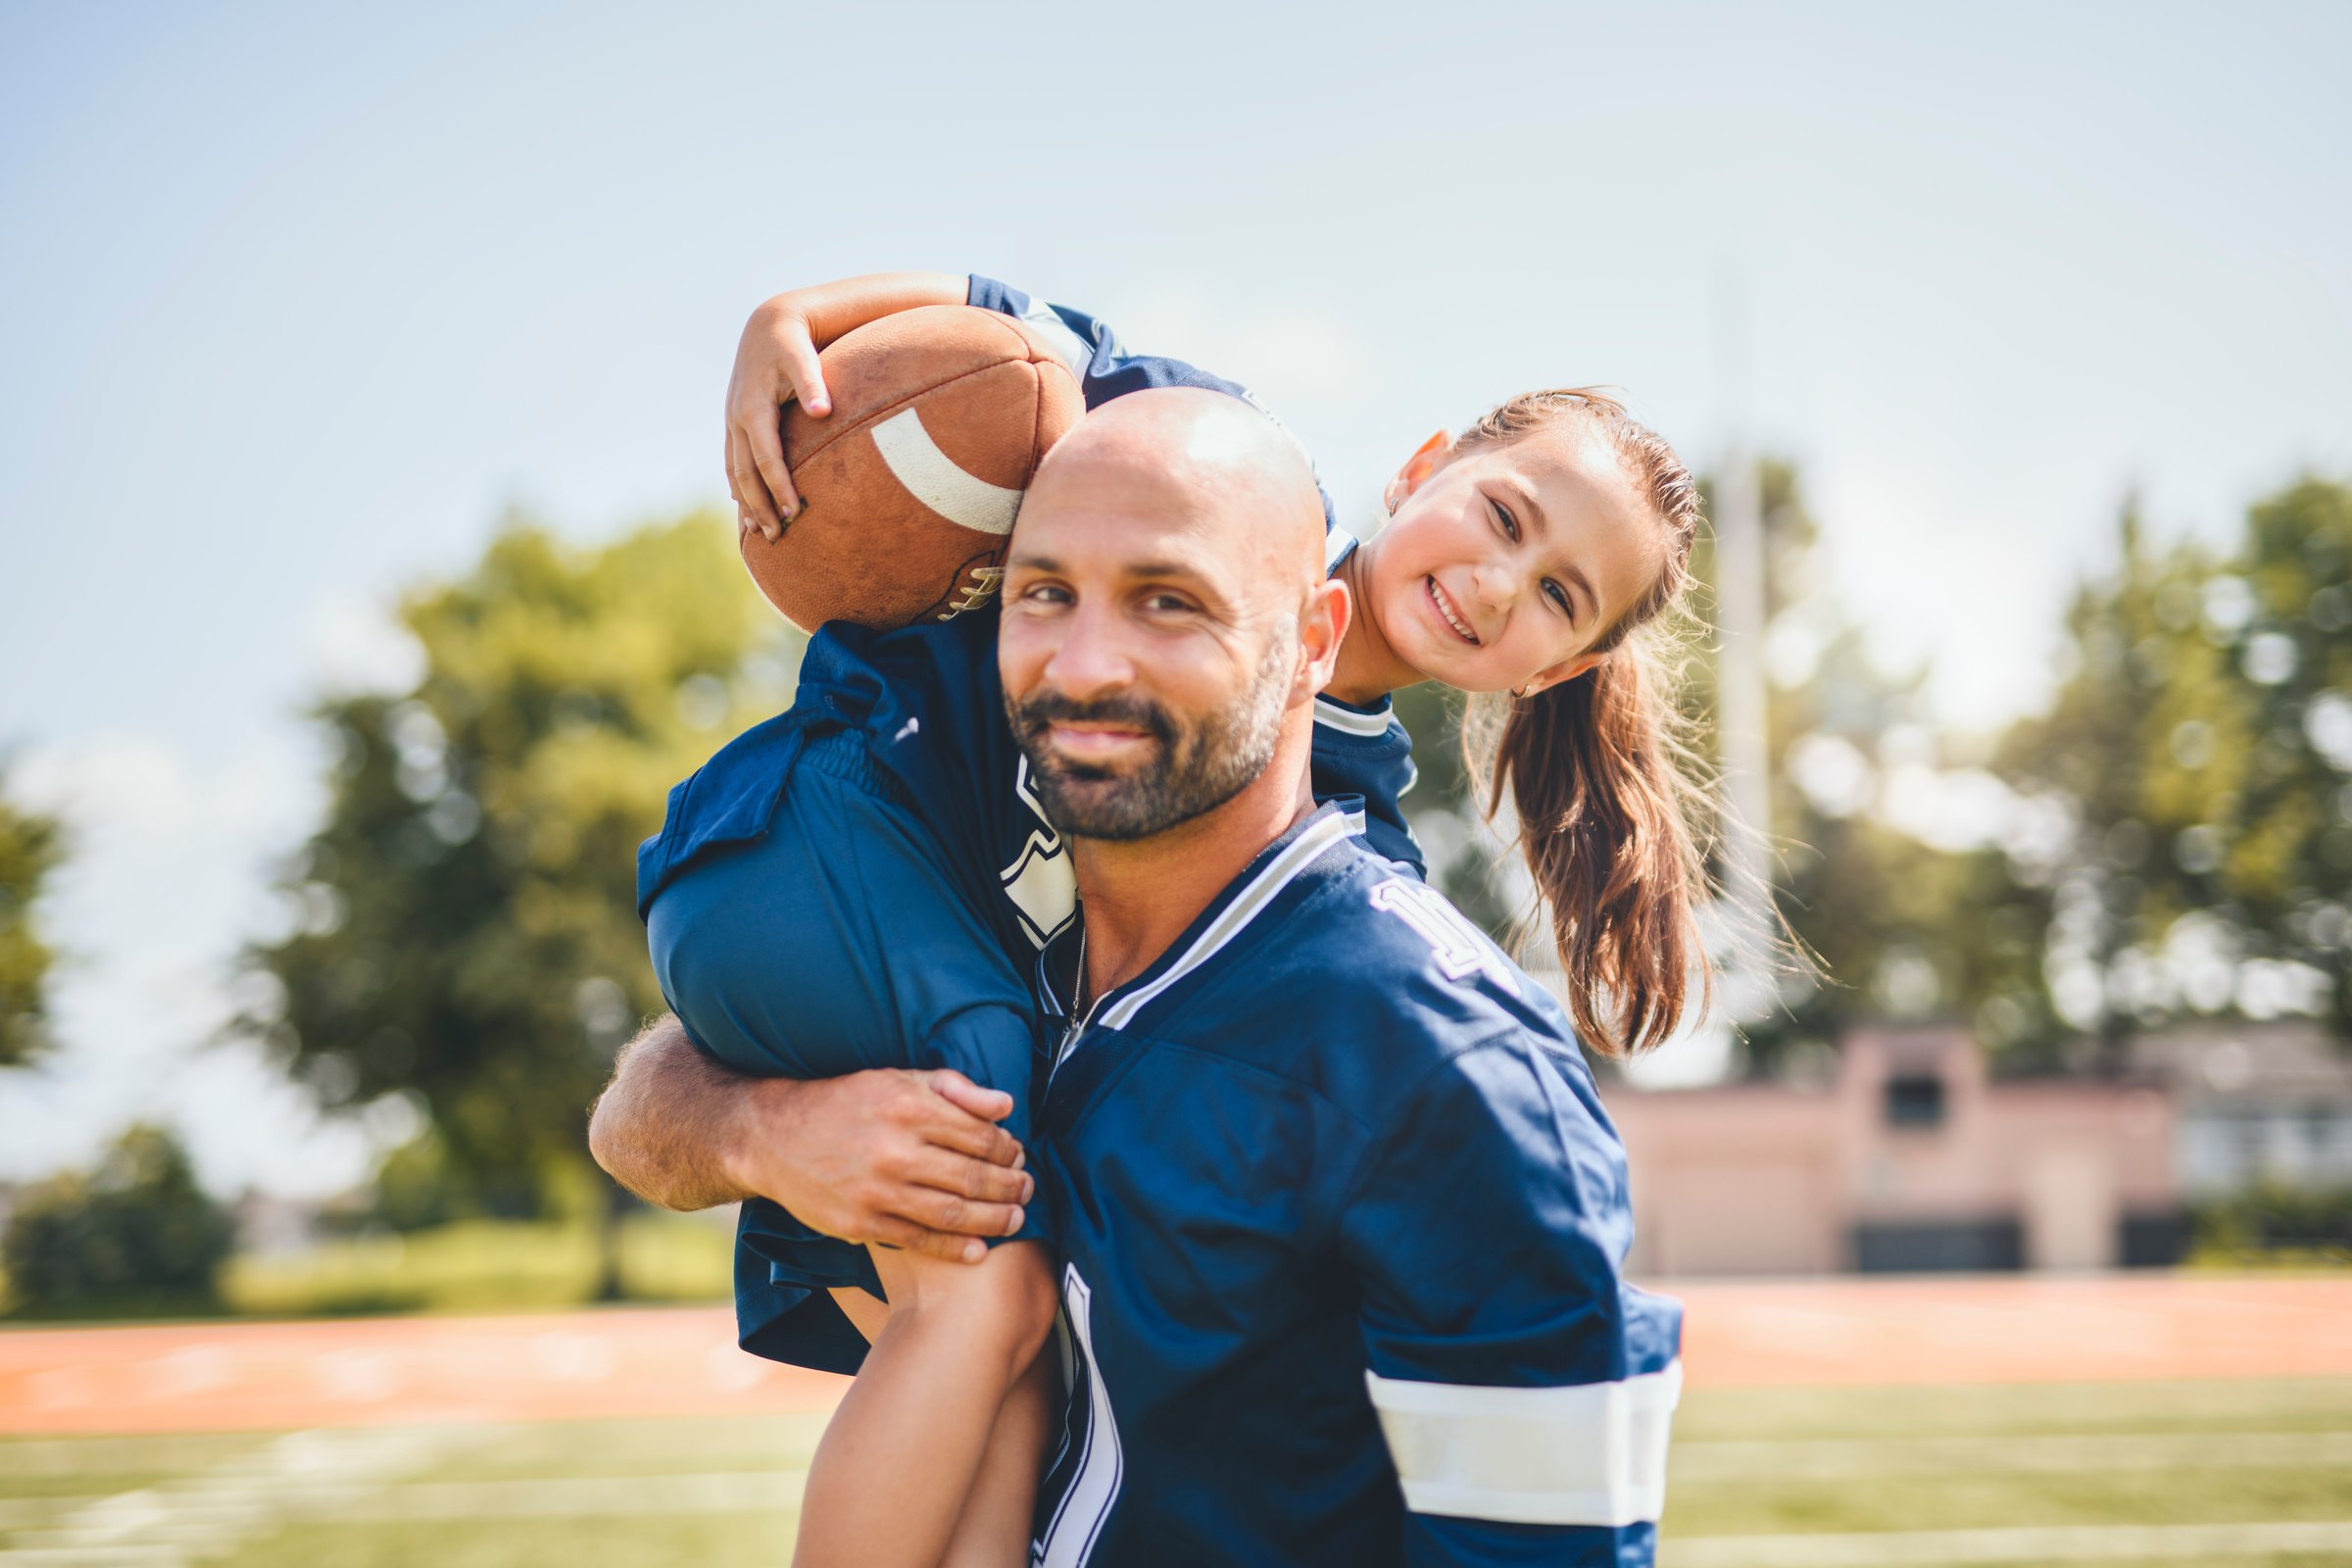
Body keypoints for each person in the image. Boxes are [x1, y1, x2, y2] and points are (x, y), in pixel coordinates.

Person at [602, 390, 1682, 1565]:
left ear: (1310, 641)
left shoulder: (1431, 1051)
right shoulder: (997, 905)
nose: (1087, 660)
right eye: (1044, 591)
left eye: (1171, 602)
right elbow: (636, 1113)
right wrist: (763, 1129)